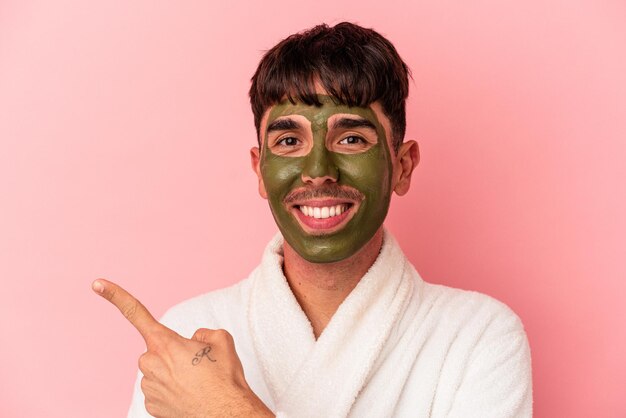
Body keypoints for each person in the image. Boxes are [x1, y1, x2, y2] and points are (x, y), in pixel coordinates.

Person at [93, 22, 532, 417]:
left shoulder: (478, 337)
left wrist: (226, 410)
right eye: (288, 140)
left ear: (402, 166)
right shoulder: (188, 337)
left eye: (352, 137)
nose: (318, 169)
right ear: (259, 169)